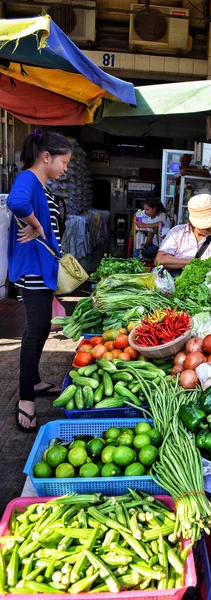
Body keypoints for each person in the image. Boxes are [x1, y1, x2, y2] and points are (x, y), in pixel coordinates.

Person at [7, 129, 72, 432]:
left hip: (42, 269)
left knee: (43, 326)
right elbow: (17, 204)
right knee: (34, 331)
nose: (65, 168)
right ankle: (25, 399)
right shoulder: (28, 180)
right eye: (64, 162)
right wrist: (36, 226)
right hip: (32, 270)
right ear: (46, 157)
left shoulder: (41, 185)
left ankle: (33, 381)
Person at [155, 194, 211, 273]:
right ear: (191, 221)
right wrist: (195, 262)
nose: (209, 227)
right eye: (204, 225)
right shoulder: (178, 233)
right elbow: (159, 260)